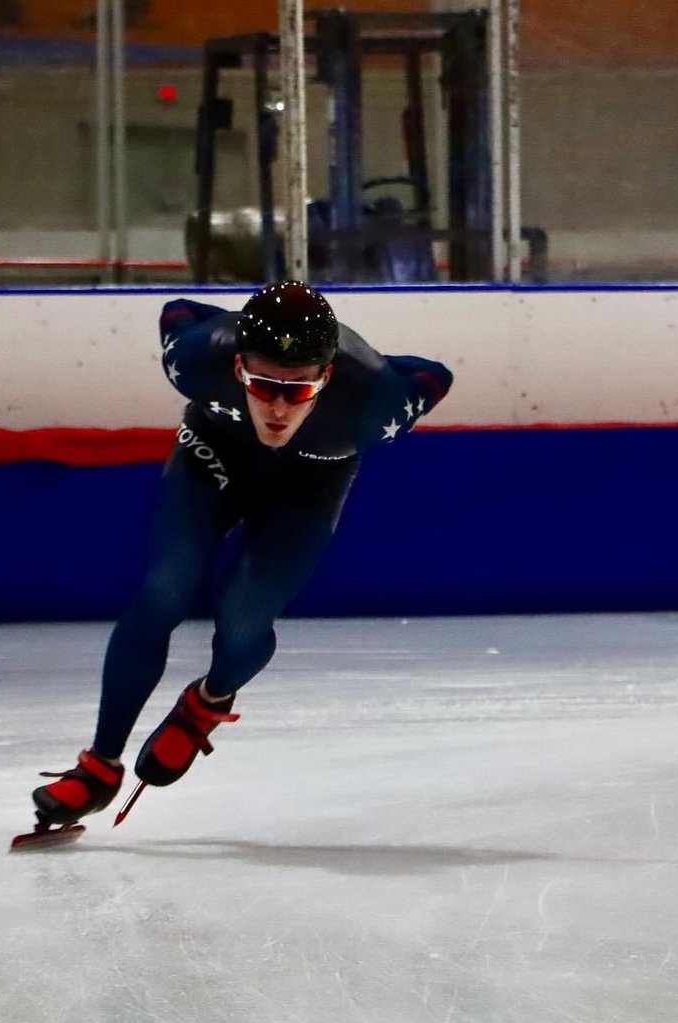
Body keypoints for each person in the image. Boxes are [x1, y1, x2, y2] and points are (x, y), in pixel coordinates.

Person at [29, 279, 453, 831]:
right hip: (213, 455)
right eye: (262, 384)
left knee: (243, 619)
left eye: (298, 390)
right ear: (235, 369)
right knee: (164, 590)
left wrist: (367, 359)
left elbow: (433, 376)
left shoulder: (376, 400)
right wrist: (236, 325)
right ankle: (99, 767)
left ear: (327, 376)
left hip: (311, 485)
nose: (277, 407)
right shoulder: (196, 359)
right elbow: (179, 311)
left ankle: (207, 702)